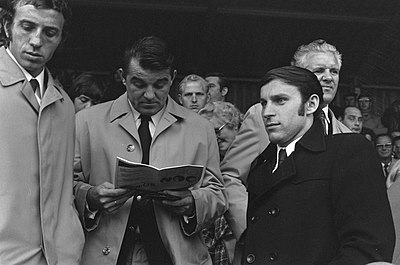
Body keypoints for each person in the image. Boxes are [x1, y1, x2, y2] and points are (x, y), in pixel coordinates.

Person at [73, 36, 226, 265]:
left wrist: (193, 202)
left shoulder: (201, 128)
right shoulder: (86, 122)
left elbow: (217, 192)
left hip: (175, 256)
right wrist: (90, 197)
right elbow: (65, 186)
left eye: (160, 84)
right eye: (139, 84)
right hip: (104, 254)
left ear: (172, 78)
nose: (150, 95)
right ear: (122, 78)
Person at [241, 66, 395, 264]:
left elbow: (367, 246)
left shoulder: (347, 151)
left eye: (280, 100)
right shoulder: (260, 166)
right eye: (264, 103)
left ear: (311, 104)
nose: (267, 112)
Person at [0, 0, 84, 264]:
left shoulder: (64, 104)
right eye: (27, 27)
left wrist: (70, 242)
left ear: (60, 38)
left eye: (50, 32)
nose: (36, 41)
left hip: (57, 256)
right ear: (6, 27)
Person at [221, 39, 350, 187]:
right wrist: (250, 210)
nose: (328, 78)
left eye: (334, 71)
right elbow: (232, 177)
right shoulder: (261, 115)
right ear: (297, 74)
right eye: (319, 70)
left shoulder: (346, 133)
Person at [199, 101, 244, 265]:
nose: (213, 137)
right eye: (207, 133)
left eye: (217, 130)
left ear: (236, 127)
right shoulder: (204, 166)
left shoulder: (252, 162)